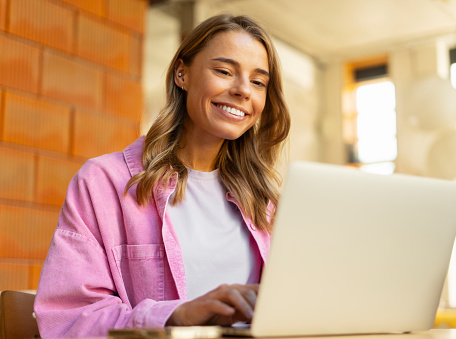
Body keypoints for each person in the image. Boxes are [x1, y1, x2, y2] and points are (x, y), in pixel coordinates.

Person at [34, 14, 291, 338]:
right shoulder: (103, 184)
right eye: (224, 71)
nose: (242, 90)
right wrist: (177, 316)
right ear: (182, 74)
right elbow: (68, 319)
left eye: (258, 82)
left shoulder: (266, 204)